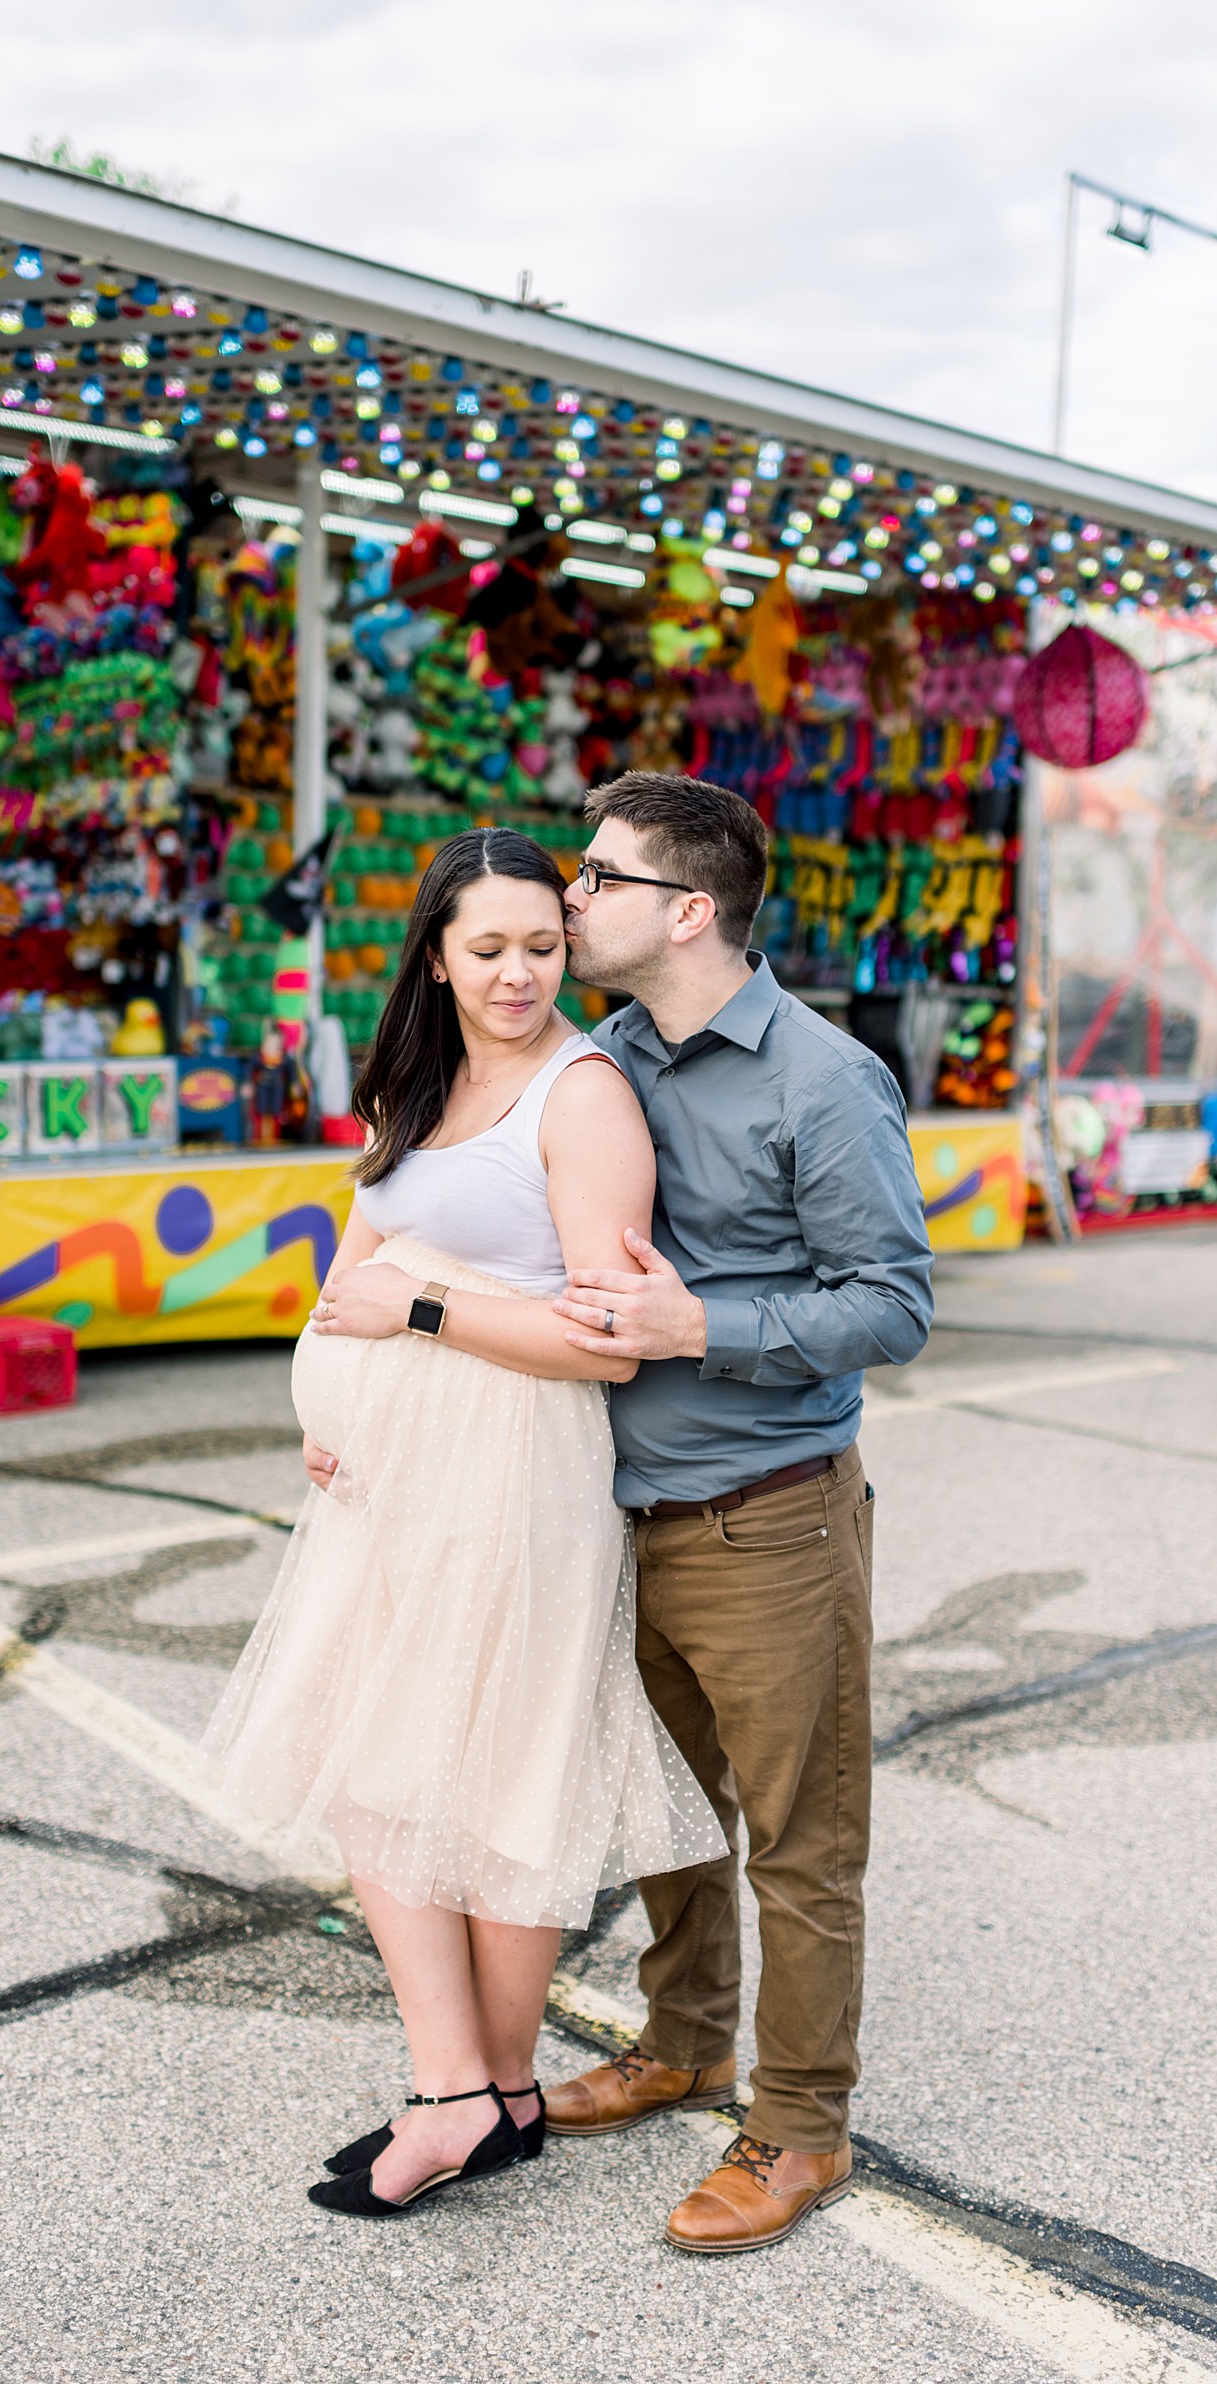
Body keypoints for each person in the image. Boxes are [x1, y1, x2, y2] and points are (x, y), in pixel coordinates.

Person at [204, 826, 725, 2220]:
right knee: (391, 1767)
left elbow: (607, 1344)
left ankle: (451, 2092)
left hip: (511, 1479)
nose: (516, 974)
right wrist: (334, 1401)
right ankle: (486, 2091)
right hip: (391, 1483)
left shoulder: (582, 1093)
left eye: (541, 948)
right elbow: (358, 1259)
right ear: (432, 955)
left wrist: (418, 1314)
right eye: (486, 949)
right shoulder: (416, 1084)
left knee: (482, 1779)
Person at [545, 771, 933, 2256]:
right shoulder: (610, 1057)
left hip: (766, 1522)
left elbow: (890, 1305)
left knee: (799, 1840)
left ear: (687, 910)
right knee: (666, 1814)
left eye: (598, 876)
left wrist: (691, 1323)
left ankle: (799, 2128)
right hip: (619, 1512)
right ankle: (681, 2044)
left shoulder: (820, 1080)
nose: (572, 898)